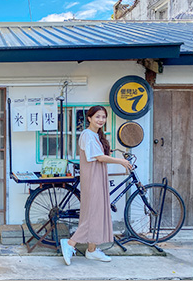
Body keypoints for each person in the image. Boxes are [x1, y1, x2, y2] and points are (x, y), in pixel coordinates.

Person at [60, 106, 134, 265]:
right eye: (97, 117)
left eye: (103, 117)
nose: (101, 120)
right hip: (92, 178)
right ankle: (70, 243)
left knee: (98, 212)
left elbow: (100, 156)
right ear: (89, 118)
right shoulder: (87, 134)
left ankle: (92, 250)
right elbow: (99, 157)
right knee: (92, 214)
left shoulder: (95, 135)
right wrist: (120, 161)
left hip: (97, 177)